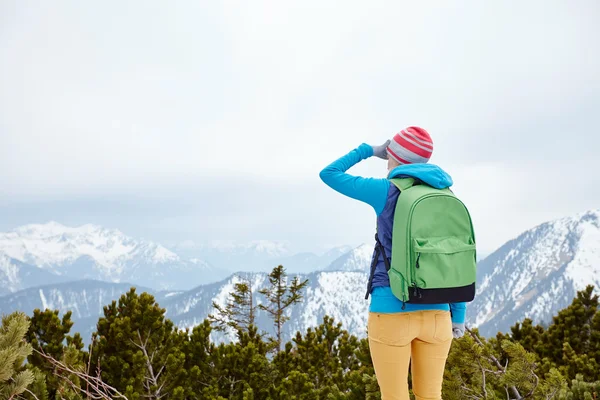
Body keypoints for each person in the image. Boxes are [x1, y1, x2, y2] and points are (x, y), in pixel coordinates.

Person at [319, 126, 467, 400]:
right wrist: (457, 314)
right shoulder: (446, 195)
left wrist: (369, 150)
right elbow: (453, 256)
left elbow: (329, 174)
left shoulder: (386, 191)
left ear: (394, 157)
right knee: (431, 396)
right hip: (438, 315)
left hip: (391, 307)